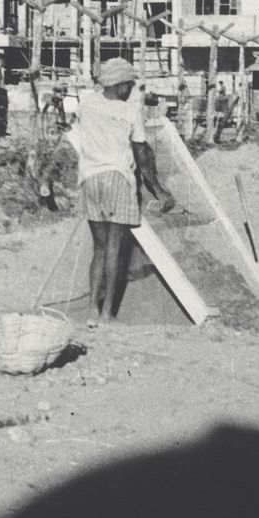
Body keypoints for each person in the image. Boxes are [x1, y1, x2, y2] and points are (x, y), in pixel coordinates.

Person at [69, 57, 171, 327]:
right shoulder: (129, 111)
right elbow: (141, 152)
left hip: (90, 179)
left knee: (99, 248)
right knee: (115, 248)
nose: (130, 89)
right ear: (120, 84)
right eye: (128, 84)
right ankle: (107, 314)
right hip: (117, 179)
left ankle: (92, 310)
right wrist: (159, 190)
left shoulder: (87, 103)